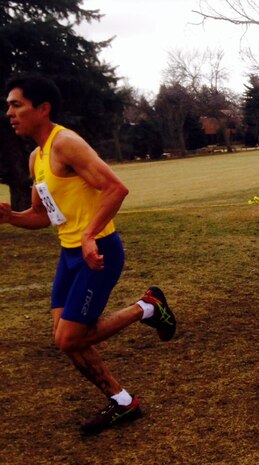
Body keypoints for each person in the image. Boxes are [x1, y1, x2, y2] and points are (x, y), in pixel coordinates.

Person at [1, 75, 177, 435]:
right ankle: (123, 401)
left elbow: (116, 188)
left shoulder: (66, 143)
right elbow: (43, 216)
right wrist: (12, 218)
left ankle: (147, 308)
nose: (9, 113)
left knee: (68, 338)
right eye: (8, 106)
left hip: (100, 251)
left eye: (16, 105)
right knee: (65, 338)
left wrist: (89, 235)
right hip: (70, 254)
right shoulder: (37, 157)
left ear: (42, 108)